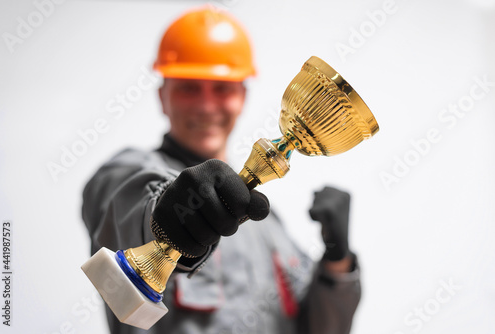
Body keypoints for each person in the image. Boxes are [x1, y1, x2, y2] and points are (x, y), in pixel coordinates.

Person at [82, 6, 361, 334]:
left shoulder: (270, 227)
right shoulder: (127, 173)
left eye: (222, 88)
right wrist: (167, 213)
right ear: (162, 96)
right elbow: (126, 205)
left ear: (242, 97)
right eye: (188, 87)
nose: (206, 105)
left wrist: (337, 264)